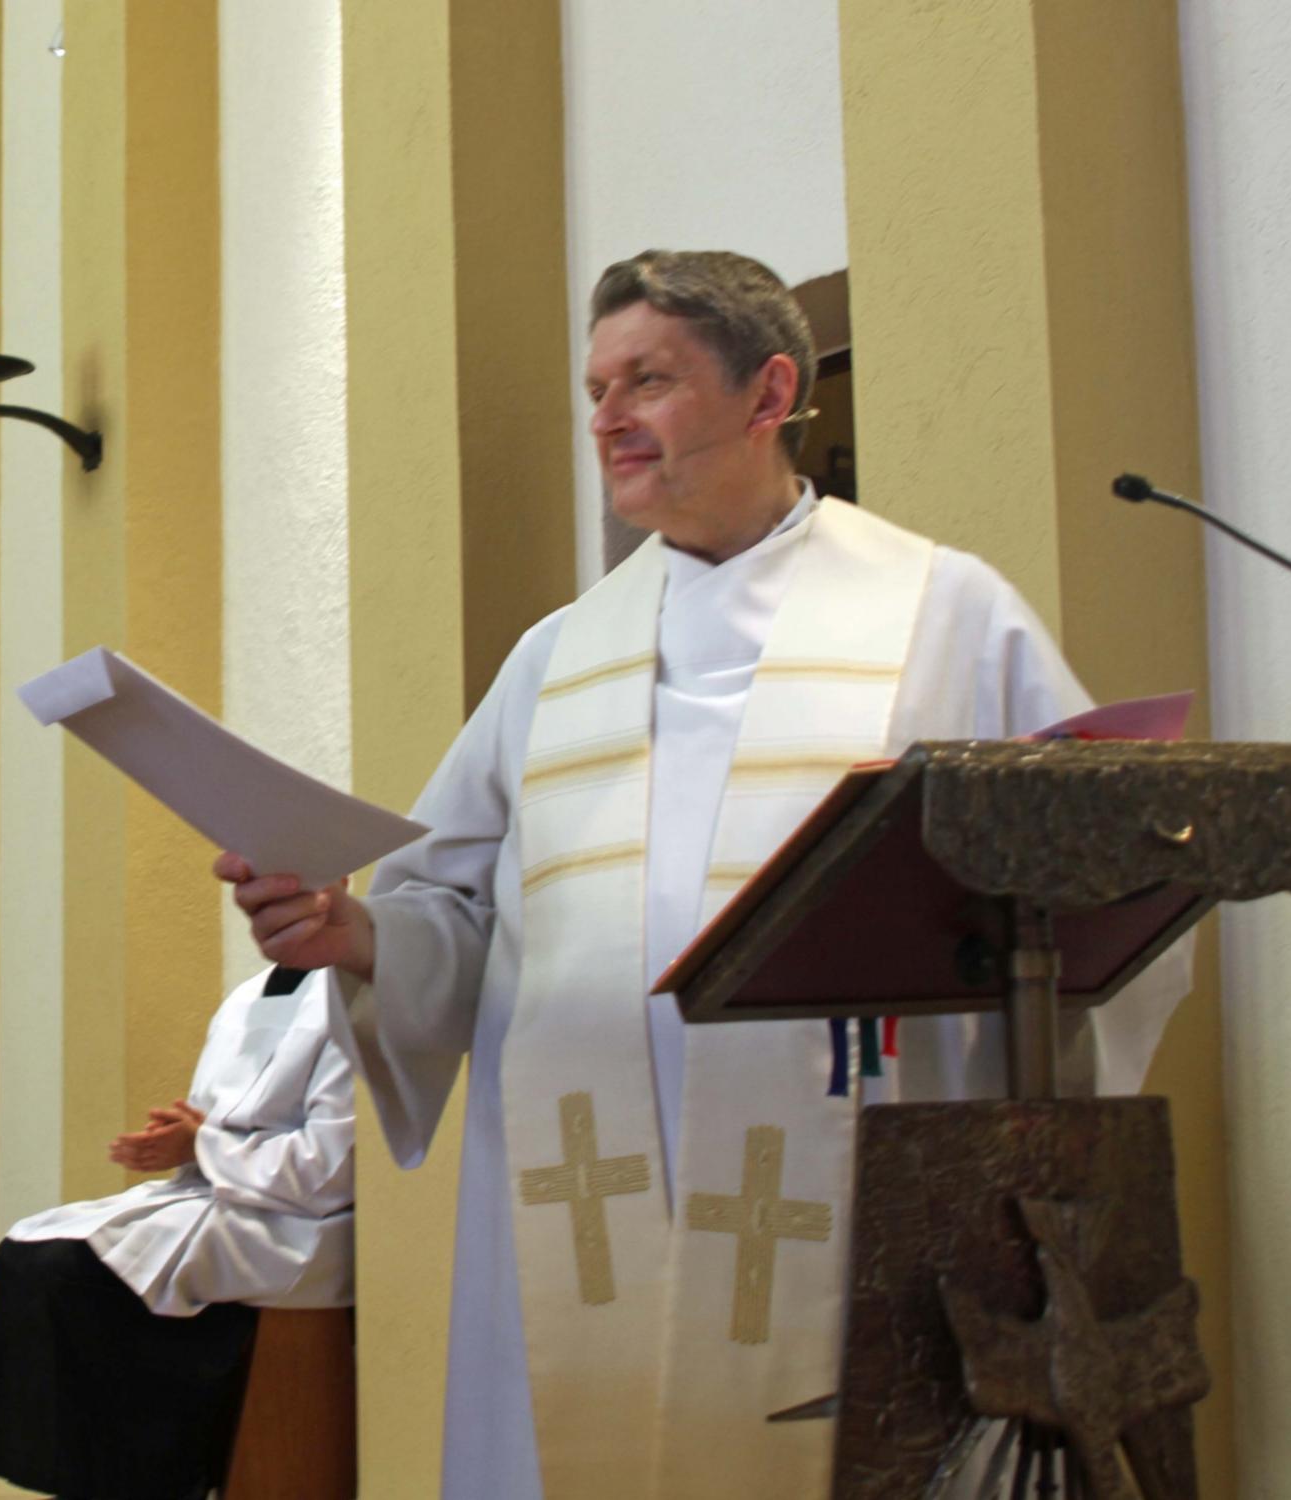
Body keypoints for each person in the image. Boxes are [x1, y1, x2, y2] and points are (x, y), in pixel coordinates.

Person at [217, 250, 1189, 1499]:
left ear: (767, 390)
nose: (606, 419)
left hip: (853, 1183)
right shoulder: (558, 656)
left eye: (647, 381)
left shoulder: (943, 616)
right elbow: (450, 913)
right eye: (595, 388)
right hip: (587, 1189)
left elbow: (1102, 895)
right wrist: (356, 936)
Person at [0, 964, 355, 1499]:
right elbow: (211, 1114)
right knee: (25, 1251)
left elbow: (331, 1168)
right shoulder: (247, 995)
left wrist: (201, 1145)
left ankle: (157, 1477)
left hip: (301, 1222)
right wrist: (184, 1141)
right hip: (223, 1190)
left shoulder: (356, 996)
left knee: (76, 1278)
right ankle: (82, 1481)